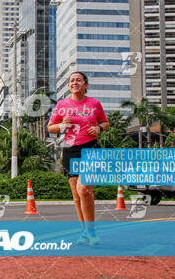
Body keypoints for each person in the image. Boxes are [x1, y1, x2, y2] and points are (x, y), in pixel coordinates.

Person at [47, 72, 109, 245]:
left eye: (78, 80)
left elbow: (105, 122)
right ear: (69, 86)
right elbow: (51, 127)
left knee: (85, 190)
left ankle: (91, 231)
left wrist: (98, 129)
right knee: (76, 195)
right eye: (72, 80)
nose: (75, 82)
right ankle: (84, 232)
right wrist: (62, 125)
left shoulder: (95, 104)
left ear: (86, 85)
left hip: (90, 149)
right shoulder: (61, 105)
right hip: (70, 150)